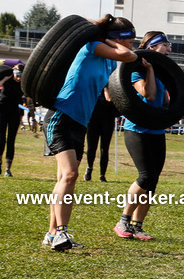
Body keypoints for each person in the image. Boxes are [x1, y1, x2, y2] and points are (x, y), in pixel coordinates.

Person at [43, 15, 139, 251]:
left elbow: (111, 86)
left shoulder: (108, 62)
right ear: (117, 39)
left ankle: (52, 233)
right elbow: (129, 55)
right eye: (131, 40)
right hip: (61, 115)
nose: (133, 45)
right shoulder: (93, 46)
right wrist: (110, 40)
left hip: (80, 122)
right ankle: (61, 233)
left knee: (64, 178)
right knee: (70, 175)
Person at [115, 31, 172, 241]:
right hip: (137, 129)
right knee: (146, 176)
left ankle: (138, 227)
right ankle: (123, 220)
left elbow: (164, 102)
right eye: (165, 45)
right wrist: (148, 69)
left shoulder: (163, 72)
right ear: (152, 48)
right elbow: (148, 94)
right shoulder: (137, 70)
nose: (170, 49)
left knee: (153, 180)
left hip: (157, 130)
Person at [0, 63, 25, 177]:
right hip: (1, 112)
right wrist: (5, 78)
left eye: (21, 76)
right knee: (1, 141)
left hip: (14, 114)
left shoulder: (22, 85)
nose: (18, 78)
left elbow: (28, 99)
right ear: (13, 73)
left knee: (11, 142)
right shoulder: (7, 80)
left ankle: (8, 170)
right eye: (17, 75)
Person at [83, 89, 118, 182]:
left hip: (108, 120)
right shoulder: (95, 85)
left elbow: (109, 99)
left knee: (104, 148)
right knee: (91, 147)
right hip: (93, 119)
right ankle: (89, 168)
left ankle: (102, 175)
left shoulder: (111, 86)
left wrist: (107, 87)